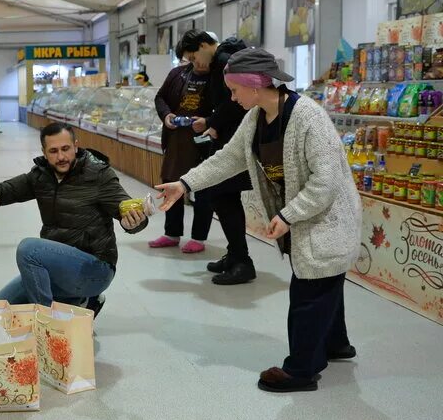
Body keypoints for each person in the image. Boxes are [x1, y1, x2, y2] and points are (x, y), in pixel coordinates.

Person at [156, 47, 360, 392]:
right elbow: (227, 159)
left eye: (234, 90)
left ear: (253, 85)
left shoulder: (308, 117)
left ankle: (301, 370)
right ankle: (336, 343)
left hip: (327, 218)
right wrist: (184, 184)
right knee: (324, 280)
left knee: (309, 290)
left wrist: (289, 214)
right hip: (306, 217)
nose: (232, 98)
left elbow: (325, 182)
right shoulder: (254, 119)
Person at [0, 122, 148, 315]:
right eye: (53, 151)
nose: (61, 157)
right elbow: (10, 188)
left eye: (66, 149)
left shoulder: (98, 175)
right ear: (44, 152)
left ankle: (48, 322)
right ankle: (81, 302)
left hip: (95, 269)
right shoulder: (41, 175)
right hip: (58, 267)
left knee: (29, 250)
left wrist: (134, 223)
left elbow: (126, 208)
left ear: (76, 146)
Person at [179, 31, 254, 285]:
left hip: (234, 140)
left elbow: (234, 104)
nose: (195, 63)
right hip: (232, 136)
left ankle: (242, 261)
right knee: (224, 197)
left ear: (203, 45)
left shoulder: (223, 60)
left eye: (193, 57)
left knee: (222, 195)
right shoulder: (223, 59)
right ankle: (235, 255)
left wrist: (211, 121)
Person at [149, 43, 214, 253]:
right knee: (171, 184)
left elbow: (227, 107)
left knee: (203, 188)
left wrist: (208, 121)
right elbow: (160, 98)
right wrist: (167, 115)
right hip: (177, 139)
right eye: (191, 59)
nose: (197, 63)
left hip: (204, 141)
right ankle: (172, 233)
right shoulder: (177, 74)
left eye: (198, 58)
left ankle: (199, 238)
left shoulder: (217, 76)